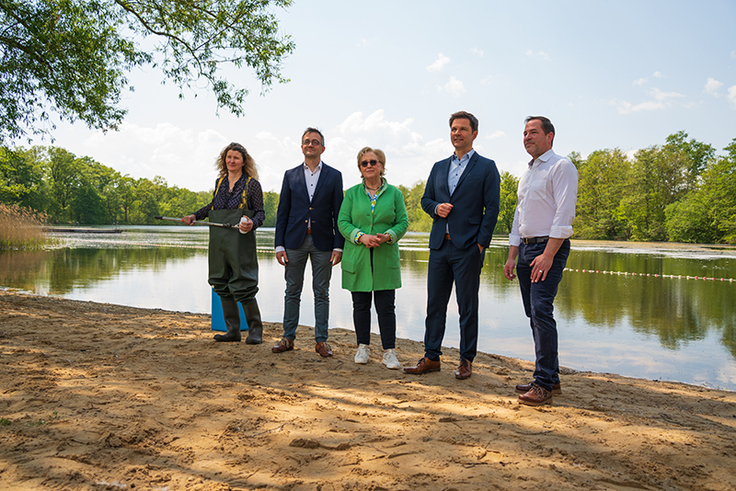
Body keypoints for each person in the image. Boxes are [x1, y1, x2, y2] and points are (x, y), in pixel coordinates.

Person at [404, 111, 500, 380]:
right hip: (438, 246)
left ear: (474, 134)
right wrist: (436, 207)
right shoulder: (438, 167)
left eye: (463, 129)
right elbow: (425, 200)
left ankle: (466, 360)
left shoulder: (486, 167)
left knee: (467, 307)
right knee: (435, 304)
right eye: (454, 129)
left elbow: (492, 209)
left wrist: (481, 244)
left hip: (467, 247)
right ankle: (431, 356)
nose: (457, 133)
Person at [503, 116, 578, 406]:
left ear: (550, 136)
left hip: (549, 248)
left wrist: (548, 254)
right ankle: (551, 376)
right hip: (525, 249)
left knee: (541, 311)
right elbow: (519, 216)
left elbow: (564, 213)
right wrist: (512, 255)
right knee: (533, 314)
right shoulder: (528, 173)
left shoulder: (562, 166)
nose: (526, 137)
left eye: (533, 132)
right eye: (524, 133)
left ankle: (544, 383)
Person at [183, 142, 265, 344]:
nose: (231, 161)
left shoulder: (252, 184)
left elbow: (261, 214)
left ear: (244, 161)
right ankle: (232, 331)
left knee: (243, 283)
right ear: (224, 159)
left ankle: (255, 330)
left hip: (240, 242)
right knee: (220, 282)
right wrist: (195, 215)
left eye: (236, 157)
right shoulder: (220, 182)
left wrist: (252, 223)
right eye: (229, 157)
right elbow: (213, 206)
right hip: (218, 240)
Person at [272, 127, 344, 358]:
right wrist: (279, 244)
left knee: (321, 292)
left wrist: (338, 244)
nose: (310, 145)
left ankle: (321, 341)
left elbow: (339, 213)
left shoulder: (334, 176)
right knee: (292, 290)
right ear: (301, 146)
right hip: (294, 241)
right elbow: (282, 211)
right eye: (306, 142)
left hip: (324, 242)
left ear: (322, 148)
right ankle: (288, 337)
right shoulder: (290, 175)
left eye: (315, 142)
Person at [337, 147, 409, 369]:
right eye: (364, 163)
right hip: (357, 256)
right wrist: (361, 236)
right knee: (360, 305)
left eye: (373, 162)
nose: (369, 166)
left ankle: (389, 352)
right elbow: (342, 222)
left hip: (384, 256)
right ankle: (363, 348)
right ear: (360, 168)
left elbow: (403, 223)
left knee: (386, 307)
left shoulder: (395, 194)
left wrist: (389, 236)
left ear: (381, 165)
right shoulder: (351, 194)